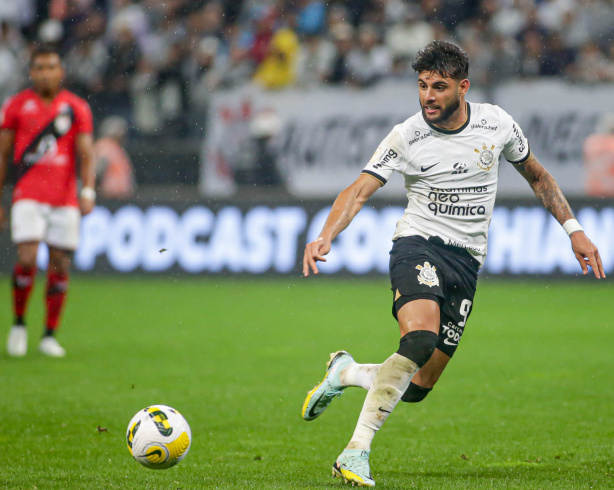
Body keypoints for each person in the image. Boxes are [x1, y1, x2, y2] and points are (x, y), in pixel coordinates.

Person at [301, 40, 605, 487]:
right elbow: (358, 190)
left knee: (418, 385)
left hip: (466, 262)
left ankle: (344, 372)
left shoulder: (496, 124)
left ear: (463, 87)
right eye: (422, 86)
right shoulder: (407, 135)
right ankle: (354, 452)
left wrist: (573, 228)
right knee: (419, 338)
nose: (428, 96)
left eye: (438, 87)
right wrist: (326, 234)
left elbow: (538, 175)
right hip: (418, 245)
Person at [0, 45, 96, 358]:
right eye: (39, 67)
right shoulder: (16, 105)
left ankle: (49, 333)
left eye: (51, 67)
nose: (45, 73)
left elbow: (86, 153)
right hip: (28, 193)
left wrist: (88, 189)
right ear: (31, 72)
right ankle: (18, 323)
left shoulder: (76, 107)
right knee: (27, 257)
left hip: (64, 197)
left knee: (60, 264)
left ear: (61, 72)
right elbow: (2, 155)